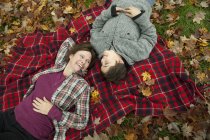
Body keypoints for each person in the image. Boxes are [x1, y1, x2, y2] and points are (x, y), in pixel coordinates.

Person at [0, 38, 96, 140]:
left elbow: (82, 121)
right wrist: (86, 46)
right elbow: (67, 42)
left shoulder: (82, 86)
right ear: (71, 55)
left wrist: (53, 111)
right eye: (81, 56)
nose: (83, 61)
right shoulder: (58, 65)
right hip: (12, 115)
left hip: (29, 133)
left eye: (87, 61)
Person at [90, 0, 157, 82]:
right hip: (142, 3)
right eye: (106, 63)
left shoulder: (97, 45)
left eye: (101, 64)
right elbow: (150, 36)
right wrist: (139, 16)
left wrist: (108, 13)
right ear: (119, 62)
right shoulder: (137, 53)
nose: (102, 60)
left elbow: (96, 27)